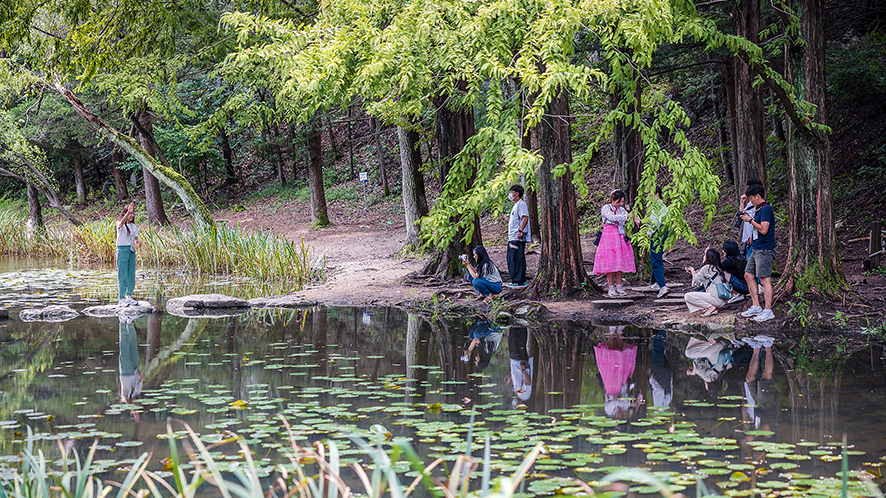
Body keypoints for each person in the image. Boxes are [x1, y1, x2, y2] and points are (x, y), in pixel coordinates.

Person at [739, 183, 776, 322]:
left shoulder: (766, 209)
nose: (750, 201)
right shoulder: (758, 209)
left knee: (765, 279)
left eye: (751, 198)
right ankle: (756, 306)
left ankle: (768, 310)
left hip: (765, 249)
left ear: (757, 196)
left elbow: (764, 229)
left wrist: (750, 220)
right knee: (748, 275)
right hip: (756, 247)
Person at [594, 189, 639, 297]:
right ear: (612, 200)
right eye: (617, 202)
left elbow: (626, 220)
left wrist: (632, 216)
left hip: (620, 235)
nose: (619, 204)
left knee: (620, 262)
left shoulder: (622, 210)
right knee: (610, 262)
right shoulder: (606, 208)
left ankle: (619, 286)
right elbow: (611, 217)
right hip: (609, 236)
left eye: (622, 202)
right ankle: (611, 288)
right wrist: (627, 216)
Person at [594, 325, 642, 419]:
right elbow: (628, 396)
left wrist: (630, 403)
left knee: (611, 355)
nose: (623, 415)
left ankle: (612, 331)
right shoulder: (625, 407)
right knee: (621, 353)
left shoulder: (609, 410)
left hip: (611, 383)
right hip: (623, 381)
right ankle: (619, 331)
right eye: (624, 417)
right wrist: (634, 401)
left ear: (616, 417)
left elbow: (616, 401)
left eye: (621, 417)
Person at [683, 248, 728, 316]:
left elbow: (695, 283)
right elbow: (701, 283)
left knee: (688, 296)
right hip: (722, 301)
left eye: (705, 255)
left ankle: (710, 307)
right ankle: (711, 308)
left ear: (708, 258)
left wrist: (692, 271)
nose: (703, 257)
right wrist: (695, 273)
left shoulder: (707, 267)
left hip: (715, 299)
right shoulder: (716, 268)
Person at [505, 184, 530, 288]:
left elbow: (525, 218)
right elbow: (517, 219)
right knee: (511, 257)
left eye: (512, 192)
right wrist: (508, 220)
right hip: (513, 238)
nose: (510, 194)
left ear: (517, 193)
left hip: (517, 238)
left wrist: (520, 231)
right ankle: (515, 280)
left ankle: (519, 281)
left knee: (517, 257)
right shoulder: (515, 206)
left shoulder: (521, 204)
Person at [647, 186, 670, 298]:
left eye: (650, 194)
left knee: (656, 260)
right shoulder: (663, 206)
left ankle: (662, 286)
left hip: (657, 235)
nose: (648, 197)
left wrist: (647, 234)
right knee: (656, 257)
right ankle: (655, 282)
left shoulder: (656, 206)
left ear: (656, 194)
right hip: (663, 234)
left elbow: (654, 223)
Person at [116, 202, 139, 307]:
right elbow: (121, 224)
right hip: (122, 250)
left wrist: (138, 241)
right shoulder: (119, 224)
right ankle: (121, 299)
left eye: (133, 214)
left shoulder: (133, 226)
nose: (131, 215)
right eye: (130, 213)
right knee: (122, 275)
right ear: (124, 214)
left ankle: (129, 296)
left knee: (131, 275)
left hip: (131, 250)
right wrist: (127, 212)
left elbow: (136, 238)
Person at [508, 326, 534, 408]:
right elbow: (528, 382)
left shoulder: (519, 394)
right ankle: (521, 326)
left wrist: (510, 378)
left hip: (516, 362)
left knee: (516, 342)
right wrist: (523, 370)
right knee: (515, 341)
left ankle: (520, 326)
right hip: (519, 363)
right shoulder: (525, 396)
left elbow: (518, 379)